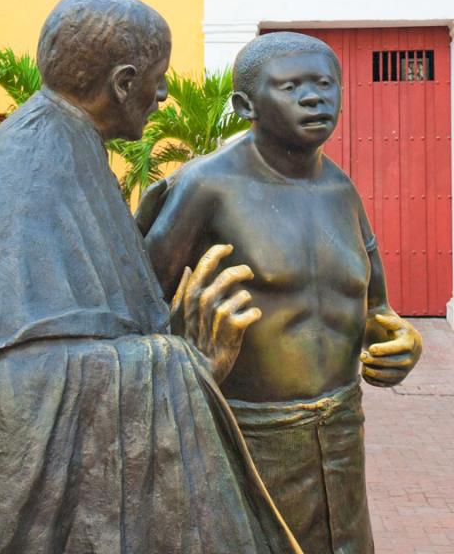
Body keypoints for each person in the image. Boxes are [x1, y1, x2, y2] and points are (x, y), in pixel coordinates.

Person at [0, 0, 301, 554]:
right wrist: (181, 364)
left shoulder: (59, 143)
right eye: (158, 77)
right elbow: (8, 391)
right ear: (123, 83)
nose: (165, 94)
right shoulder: (32, 175)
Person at [138, 31, 423, 554]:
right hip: (247, 441)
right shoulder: (205, 188)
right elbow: (133, 310)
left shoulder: (341, 191)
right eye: (291, 86)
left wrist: (405, 341)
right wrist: (185, 350)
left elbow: (377, 310)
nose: (315, 98)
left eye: (325, 84)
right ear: (246, 104)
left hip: (341, 436)